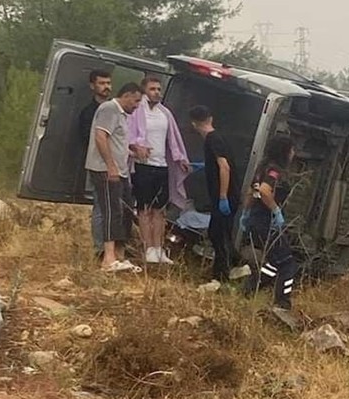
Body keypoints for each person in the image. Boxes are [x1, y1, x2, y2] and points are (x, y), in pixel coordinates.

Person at [128, 75, 191, 264]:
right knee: (145, 209)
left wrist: (180, 158)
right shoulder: (137, 111)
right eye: (152, 89)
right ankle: (148, 248)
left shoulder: (165, 113)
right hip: (143, 165)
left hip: (162, 165)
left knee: (160, 210)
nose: (156, 92)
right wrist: (136, 148)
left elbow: (173, 139)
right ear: (144, 91)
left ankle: (159, 248)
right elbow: (129, 136)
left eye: (158, 89)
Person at [86, 82, 144, 272]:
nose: (136, 106)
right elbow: (101, 137)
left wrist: (132, 151)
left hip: (121, 170)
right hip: (105, 169)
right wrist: (110, 166)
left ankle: (120, 255)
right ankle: (107, 258)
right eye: (135, 101)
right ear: (126, 95)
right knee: (111, 210)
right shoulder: (109, 109)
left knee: (125, 210)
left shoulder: (123, 115)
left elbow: (117, 141)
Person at [241, 135, 298, 314]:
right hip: (267, 222)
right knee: (288, 264)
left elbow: (252, 191)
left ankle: (250, 288)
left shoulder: (262, 167)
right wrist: (276, 210)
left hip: (255, 220)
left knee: (275, 261)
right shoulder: (275, 170)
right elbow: (265, 191)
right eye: (292, 150)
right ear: (285, 152)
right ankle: (283, 303)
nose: (293, 153)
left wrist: (246, 212)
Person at [188, 105, 239, 283]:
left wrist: (222, 196)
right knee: (218, 232)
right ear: (210, 119)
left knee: (219, 234)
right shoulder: (219, 137)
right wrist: (202, 165)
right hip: (228, 194)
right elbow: (217, 164)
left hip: (225, 196)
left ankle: (222, 275)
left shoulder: (211, 139)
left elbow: (224, 167)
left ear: (194, 124)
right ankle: (234, 268)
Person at [78, 68, 113, 254]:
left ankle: (115, 247)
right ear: (93, 86)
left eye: (108, 83)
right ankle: (99, 248)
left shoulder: (117, 110)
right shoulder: (88, 113)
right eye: (102, 83)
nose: (106, 87)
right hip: (98, 166)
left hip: (118, 167)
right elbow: (87, 141)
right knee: (100, 206)